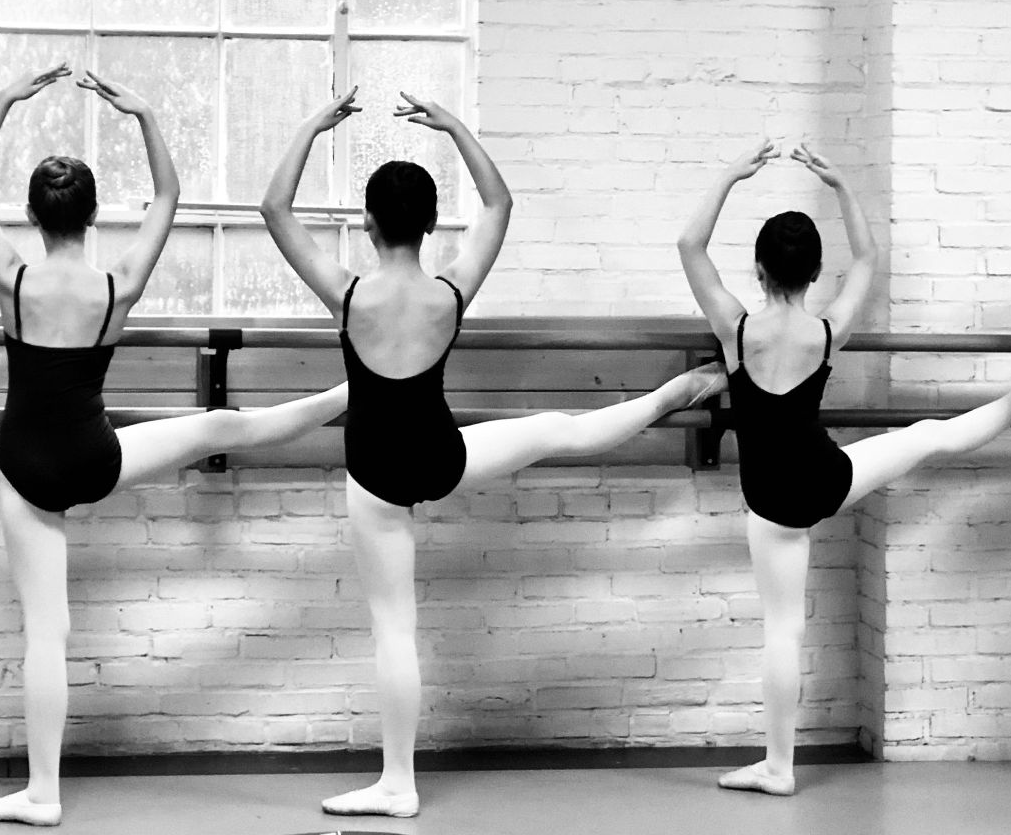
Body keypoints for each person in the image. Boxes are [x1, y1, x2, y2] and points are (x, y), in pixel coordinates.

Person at [261, 88, 726, 819]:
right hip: (442, 457)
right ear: (426, 226)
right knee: (559, 429)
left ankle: (398, 784)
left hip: (377, 477)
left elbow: (275, 210)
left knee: (395, 627)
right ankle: (669, 395)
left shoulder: (348, 296)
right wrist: (454, 127)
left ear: (369, 223)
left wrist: (315, 125)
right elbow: (499, 204)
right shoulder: (450, 294)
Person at [0, 65, 349, 826]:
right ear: (94, 215)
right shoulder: (118, 283)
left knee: (49, 632)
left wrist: (7, 98)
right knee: (222, 426)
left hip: (25, 466)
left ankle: (42, 795)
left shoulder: (10, 279)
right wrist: (143, 116)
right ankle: (349, 393)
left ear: (33, 218)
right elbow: (168, 198)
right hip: (95, 458)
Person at [680, 140, 1011, 797]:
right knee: (928, 436)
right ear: (814, 274)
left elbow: (690, 247)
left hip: (770, 500)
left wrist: (730, 175)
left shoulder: (736, 327)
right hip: (828, 477)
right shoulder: (828, 329)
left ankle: (778, 767)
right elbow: (867, 257)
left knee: (782, 628)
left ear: (757, 269)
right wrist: (838, 183)